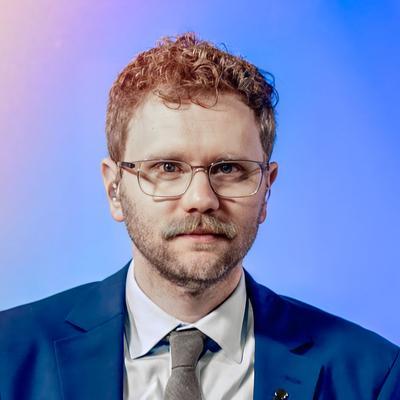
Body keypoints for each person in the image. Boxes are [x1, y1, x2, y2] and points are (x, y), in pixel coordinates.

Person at [0, 33, 399, 400]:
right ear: (114, 189)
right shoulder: (8, 353)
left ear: (266, 189)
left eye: (228, 168)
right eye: (167, 167)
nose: (201, 199)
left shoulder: (373, 377)